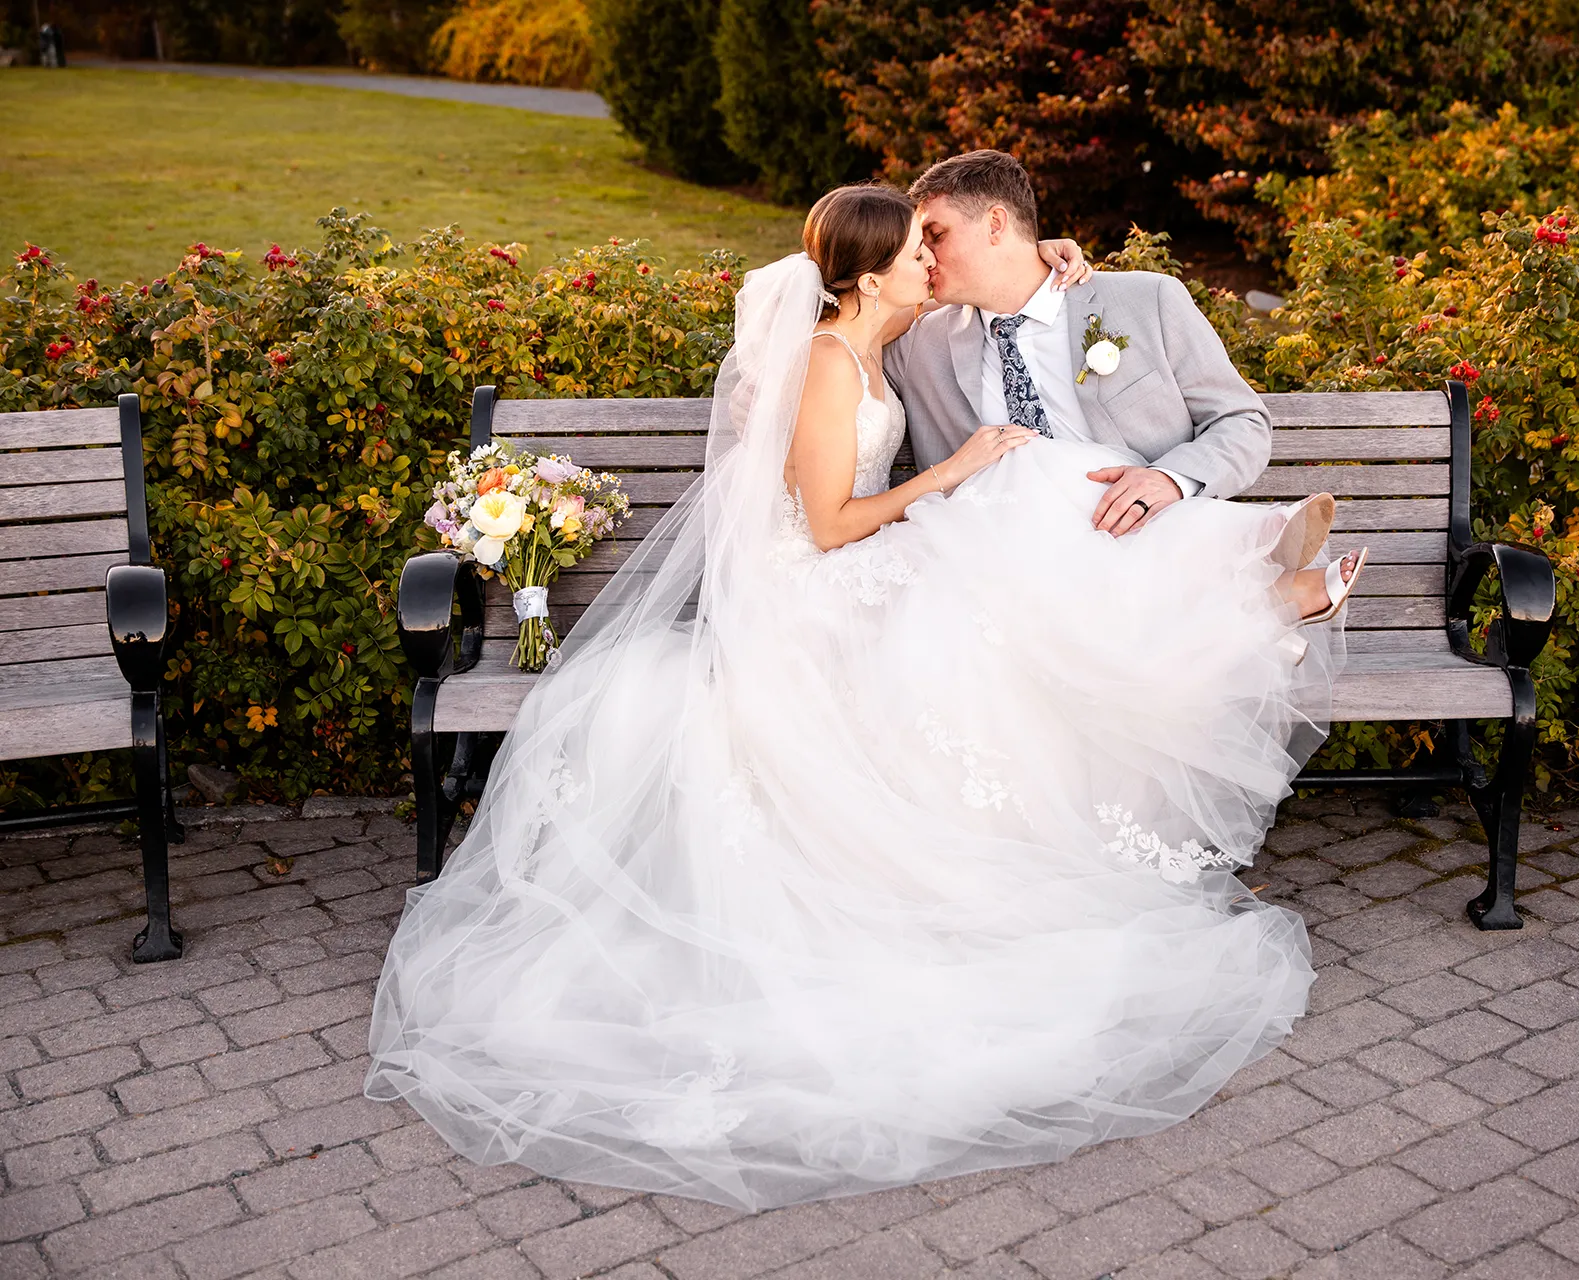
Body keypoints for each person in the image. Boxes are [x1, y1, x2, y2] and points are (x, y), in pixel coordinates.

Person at [365, 172, 1367, 1214]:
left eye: (941, 237)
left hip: (1091, 535)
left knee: (1042, 502)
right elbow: (839, 512)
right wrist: (960, 464)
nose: (931, 261)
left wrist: (1076, 310)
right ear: (882, 269)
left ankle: (1249, 563)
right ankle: (1258, 590)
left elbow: (1227, 417)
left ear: (994, 227)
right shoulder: (910, 342)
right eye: (916, 248)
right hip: (867, 572)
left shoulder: (1125, 301)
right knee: (1016, 511)